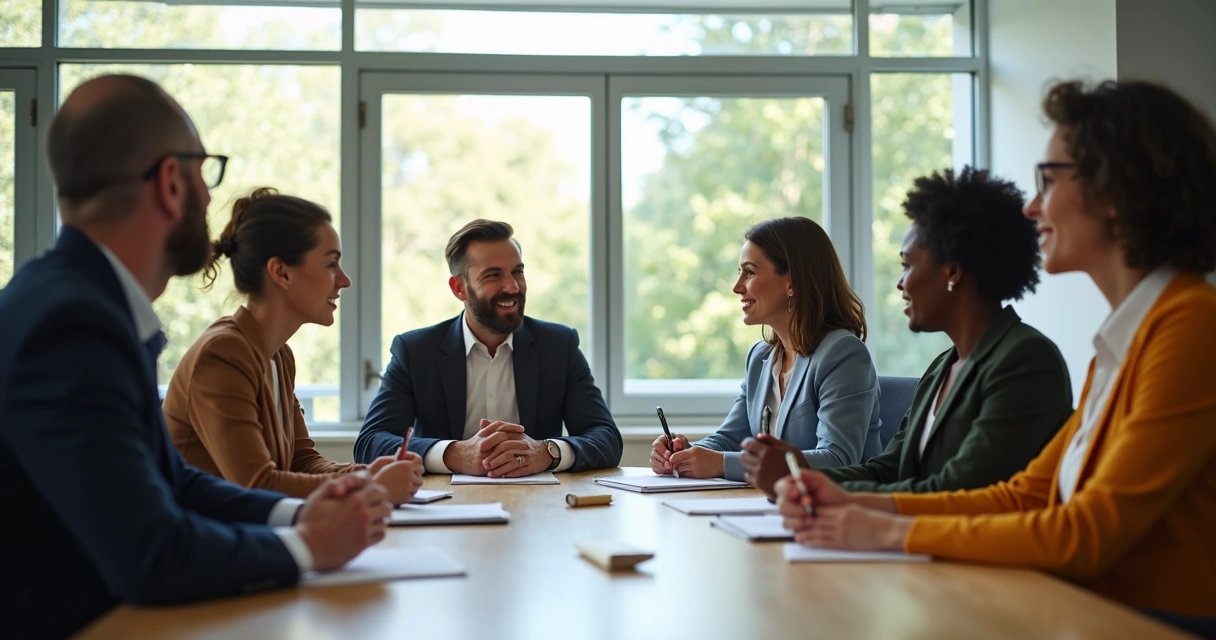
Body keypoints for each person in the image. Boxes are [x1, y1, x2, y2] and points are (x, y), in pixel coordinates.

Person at [776, 79, 1216, 618]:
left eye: (1048, 180)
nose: (1033, 207)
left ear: (1117, 188)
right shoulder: (1126, 339)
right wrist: (851, 501)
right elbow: (1023, 496)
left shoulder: (1192, 325)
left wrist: (888, 529)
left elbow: (1085, 534)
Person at [0, 75, 391, 639]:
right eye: (205, 172)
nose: (211, 198)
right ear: (170, 183)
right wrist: (307, 547)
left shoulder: (82, 303)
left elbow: (174, 481)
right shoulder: (71, 324)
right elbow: (152, 552)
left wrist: (301, 514)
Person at [742, 168, 1073, 497]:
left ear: (952, 272)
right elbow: (887, 469)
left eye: (907, 266)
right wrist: (798, 477)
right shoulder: (943, 366)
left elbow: (956, 492)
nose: (901, 284)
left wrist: (809, 485)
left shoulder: (1025, 360)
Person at [163, 188, 423, 502]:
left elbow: (303, 461)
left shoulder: (279, 355)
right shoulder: (221, 355)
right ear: (281, 272)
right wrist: (372, 486)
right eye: (330, 264)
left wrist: (369, 473)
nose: (344, 280)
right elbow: (256, 486)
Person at [355, 219, 622, 476]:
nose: (512, 286)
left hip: (541, 505)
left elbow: (606, 438)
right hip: (444, 508)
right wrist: (454, 454)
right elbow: (370, 443)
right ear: (460, 288)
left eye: (517, 271)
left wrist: (547, 452)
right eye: (494, 275)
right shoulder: (415, 351)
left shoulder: (559, 345)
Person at [650, 217, 883, 481]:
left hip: (838, 512)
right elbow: (732, 438)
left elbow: (837, 459)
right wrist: (684, 454)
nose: (737, 287)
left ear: (792, 282)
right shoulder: (761, 358)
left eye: (749, 272)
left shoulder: (842, 354)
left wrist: (721, 464)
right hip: (774, 508)